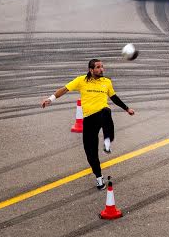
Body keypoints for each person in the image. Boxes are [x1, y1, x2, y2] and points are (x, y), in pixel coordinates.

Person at [41, 59, 134, 189]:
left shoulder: (106, 82)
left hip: (102, 113)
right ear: (91, 70)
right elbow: (65, 89)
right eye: (98, 67)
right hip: (89, 119)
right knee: (90, 152)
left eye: (102, 67)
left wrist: (127, 108)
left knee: (106, 111)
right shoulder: (81, 80)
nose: (101, 69)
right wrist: (50, 99)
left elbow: (114, 97)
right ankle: (99, 178)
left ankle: (107, 142)